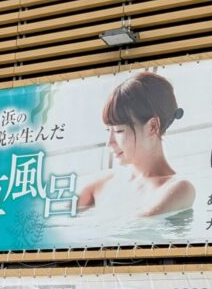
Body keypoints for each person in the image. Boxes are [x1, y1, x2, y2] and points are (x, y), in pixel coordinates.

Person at [77, 71, 196, 218]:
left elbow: (132, 229)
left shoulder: (179, 189)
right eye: (108, 131)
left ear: (153, 126)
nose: (109, 142)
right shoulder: (99, 184)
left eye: (119, 131)